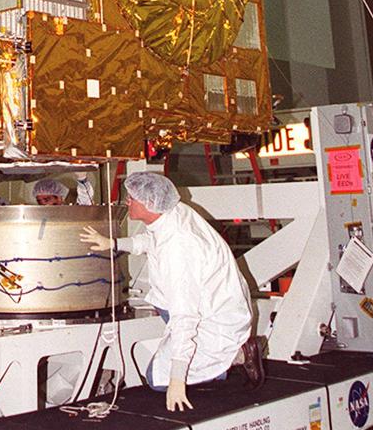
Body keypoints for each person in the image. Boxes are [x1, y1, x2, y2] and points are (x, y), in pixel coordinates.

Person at [80, 172, 263, 412]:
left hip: (212, 318)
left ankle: (238, 355)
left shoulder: (179, 249)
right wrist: (114, 244)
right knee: (170, 344)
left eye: (132, 198)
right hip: (207, 303)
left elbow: (185, 317)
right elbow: (151, 240)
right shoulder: (172, 213)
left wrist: (178, 380)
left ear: (150, 203)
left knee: (158, 379)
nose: (127, 201)